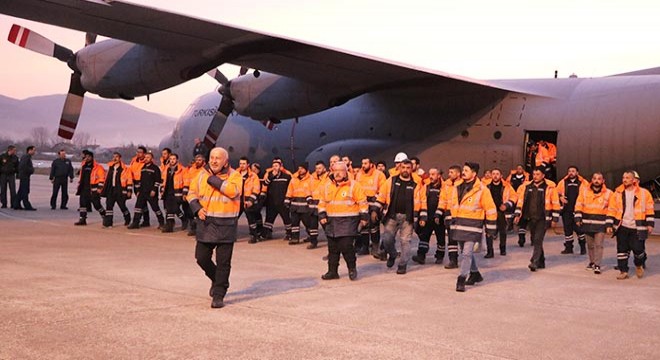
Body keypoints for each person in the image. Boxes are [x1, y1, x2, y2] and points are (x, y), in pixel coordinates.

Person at [187, 147, 242, 308]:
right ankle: (217, 279)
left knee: (223, 262)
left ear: (226, 160)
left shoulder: (235, 175)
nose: (214, 161)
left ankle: (219, 294)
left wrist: (214, 179)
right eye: (211, 157)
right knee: (201, 258)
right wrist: (197, 208)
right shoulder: (201, 174)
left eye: (218, 158)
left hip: (226, 225)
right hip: (207, 224)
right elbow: (191, 193)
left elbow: (233, 191)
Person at [444, 162, 497, 292]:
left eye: (466, 170)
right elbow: (453, 205)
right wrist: (451, 220)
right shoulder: (457, 187)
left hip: (473, 226)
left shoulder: (482, 189)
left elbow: (490, 209)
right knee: (465, 253)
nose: (463, 172)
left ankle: (461, 279)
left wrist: (490, 228)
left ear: (474, 174)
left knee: (466, 253)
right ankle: (475, 273)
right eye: (463, 170)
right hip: (459, 225)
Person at [318, 161, 368, 280]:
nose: (338, 173)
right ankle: (332, 271)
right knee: (333, 248)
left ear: (346, 172)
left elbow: (362, 202)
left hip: (348, 221)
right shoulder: (327, 185)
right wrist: (322, 215)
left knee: (346, 246)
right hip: (331, 222)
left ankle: (351, 268)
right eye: (335, 171)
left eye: (340, 171)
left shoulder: (354, 185)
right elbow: (322, 202)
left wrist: (364, 217)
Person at [376, 158, 427, 275]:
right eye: (403, 167)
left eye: (408, 168)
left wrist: (423, 217)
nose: (405, 170)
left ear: (411, 169)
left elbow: (422, 201)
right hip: (392, 216)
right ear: (399, 168)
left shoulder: (416, 184)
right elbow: (382, 195)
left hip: (408, 218)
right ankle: (393, 254)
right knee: (387, 239)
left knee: (406, 242)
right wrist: (375, 209)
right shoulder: (392, 181)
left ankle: (402, 264)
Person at [609, 171, 654, 279]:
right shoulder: (618, 193)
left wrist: (650, 224)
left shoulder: (644, 193)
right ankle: (623, 271)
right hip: (622, 225)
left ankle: (639, 264)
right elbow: (612, 209)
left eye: (627, 178)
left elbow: (649, 209)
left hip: (637, 226)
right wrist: (609, 224)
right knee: (622, 249)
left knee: (638, 249)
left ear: (634, 180)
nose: (624, 180)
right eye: (623, 177)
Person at [514, 166, 560, 272]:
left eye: (538, 174)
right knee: (536, 240)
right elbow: (521, 201)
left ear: (543, 175)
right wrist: (517, 215)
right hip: (530, 217)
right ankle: (541, 261)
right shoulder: (527, 187)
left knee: (538, 239)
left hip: (543, 218)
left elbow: (556, 203)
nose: (535, 176)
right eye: (534, 174)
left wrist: (555, 219)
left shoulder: (549, 187)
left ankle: (534, 261)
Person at [574, 172, 613, 274]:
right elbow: (579, 204)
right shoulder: (584, 191)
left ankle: (597, 264)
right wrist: (578, 218)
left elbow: (611, 209)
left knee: (598, 245)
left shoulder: (609, 193)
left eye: (599, 179)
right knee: (590, 245)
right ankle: (591, 262)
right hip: (587, 223)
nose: (596, 180)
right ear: (591, 180)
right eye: (594, 178)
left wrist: (609, 224)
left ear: (603, 181)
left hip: (601, 224)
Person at [412, 167, 445, 265]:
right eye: (430, 174)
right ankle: (421, 256)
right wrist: (422, 217)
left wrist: (439, 215)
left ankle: (439, 256)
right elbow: (422, 202)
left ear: (439, 175)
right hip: (428, 217)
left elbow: (445, 202)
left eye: (433, 174)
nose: (430, 176)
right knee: (424, 237)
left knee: (441, 238)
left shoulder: (444, 187)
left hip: (440, 218)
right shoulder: (426, 187)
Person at [355, 157, 386, 256]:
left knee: (374, 226)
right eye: (362, 163)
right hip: (363, 205)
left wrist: (376, 202)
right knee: (364, 226)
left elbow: (383, 191)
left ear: (371, 164)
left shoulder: (379, 175)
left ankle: (375, 247)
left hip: (374, 205)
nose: (363, 165)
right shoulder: (359, 175)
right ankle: (365, 247)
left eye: (365, 163)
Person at [557, 166, 589, 255]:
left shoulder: (583, 183)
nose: (571, 173)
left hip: (578, 210)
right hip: (566, 210)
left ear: (577, 173)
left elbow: (588, 195)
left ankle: (583, 247)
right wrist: (560, 198)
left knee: (579, 230)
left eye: (573, 171)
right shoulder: (563, 182)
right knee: (567, 230)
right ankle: (569, 248)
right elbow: (556, 193)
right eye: (569, 171)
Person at [485, 168, 517, 257]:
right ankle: (489, 251)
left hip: (501, 212)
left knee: (503, 231)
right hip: (489, 212)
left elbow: (514, 197)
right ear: (491, 175)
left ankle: (503, 249)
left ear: (501, 176)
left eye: (497, 174)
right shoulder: (486, 187)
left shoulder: (507, 186)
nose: (495, 176)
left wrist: (506, 205)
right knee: (488, 232)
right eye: (493, 174)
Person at [128, 152, 165, 229]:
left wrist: (154, 190)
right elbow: (140, 180)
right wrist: (138, 190)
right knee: (138, 207)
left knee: (155, 208)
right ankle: (135, 223)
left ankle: (161, 223)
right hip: (142, 192)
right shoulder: (143, 168)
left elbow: (158, 181)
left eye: (148, 157)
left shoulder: (155, 168)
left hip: (151, 192)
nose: (146, 159)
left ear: (152, 159)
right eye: (145, 157)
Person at [285, 162, 318, 246]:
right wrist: (287, 199)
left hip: (305, 206)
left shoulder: (311, 179)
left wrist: (311, 202)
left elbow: (312, 190)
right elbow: (290, 190)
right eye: (299, 168)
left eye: (302, 168)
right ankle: (295, 238)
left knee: (307, 223)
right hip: (295, 205)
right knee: (294, 223)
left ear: (306, 170)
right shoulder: (294, 178)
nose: (300, 170)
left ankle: (312, 236)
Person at [259, 159, 292, 240]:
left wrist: (288, 199)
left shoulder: (286, 176)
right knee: (269, 219)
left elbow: (291, 188)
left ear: (280, 167)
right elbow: (265, 184)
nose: (274, 168)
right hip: (271, 202)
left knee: (286, 219)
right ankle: (266, 234)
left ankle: (290, 234)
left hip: (282, 202)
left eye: (276, 166)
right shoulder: (269, 175)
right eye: (273, 166)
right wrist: (271, 177)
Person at [438, 165, 462, 268]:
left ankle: (467, 259)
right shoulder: (446, 185)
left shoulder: (463, 184)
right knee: (451, 239)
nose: (449, 174)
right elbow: (442, 200)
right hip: (448, 214)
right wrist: (438, 212)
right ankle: (453, 260)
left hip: (460, 214)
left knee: (461, 238)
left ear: (458, 174)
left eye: (452, 172)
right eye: (449, 172)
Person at [74, 150, 107, 226]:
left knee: (97, 205)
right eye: (86, 157)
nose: (87, 158)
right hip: (83, 188)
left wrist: (100, 188)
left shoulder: (98, 167)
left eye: (89, 157)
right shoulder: (83, 165)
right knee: (82, 204)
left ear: (92, 157)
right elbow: (80, 174)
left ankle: (104, 216)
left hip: (93, 189)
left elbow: (102, 178)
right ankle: (82, 219)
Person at [102, 152, 133, 227]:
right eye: (114, 157)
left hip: (120, 190)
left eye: (116, 157)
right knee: (109, 205)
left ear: (120, 158)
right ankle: (108, 223)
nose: (115, 158)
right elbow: (106, 179)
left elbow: (129, 180)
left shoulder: (125, 169)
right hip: (111, 189)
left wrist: (129, 190)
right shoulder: (111, 168)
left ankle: (127, 218)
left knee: (122, 206)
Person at [160, 153, 189, 233]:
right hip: (167, 192)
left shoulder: (182, 169)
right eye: (171, 159)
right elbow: (163, 180)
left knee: (176, 209)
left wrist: (184, 193)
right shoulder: (166, 169)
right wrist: (161, 190)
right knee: (168, 210)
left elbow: (186, 182)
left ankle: (184, 219)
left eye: (174, 159)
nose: (172, 161)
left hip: (177, 192)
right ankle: (169, 226)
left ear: (177, 160)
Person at [237, 157, 262, 243]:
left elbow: (256, 189)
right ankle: (231, 236)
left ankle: (253, 236)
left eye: (244, 164)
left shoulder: (253, 176)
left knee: (251, 220)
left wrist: (251, 200)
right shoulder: (235, 175)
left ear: (248, 165)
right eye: (240, 164)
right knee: (233, 219)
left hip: (248, 200)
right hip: (238, 200)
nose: (242, 166)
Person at [507, 164, 530, 246]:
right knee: (520, 218)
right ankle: (520, 237)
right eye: (518, 168)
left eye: (521, 168)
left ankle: (532, 237)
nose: (519, 169)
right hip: (516, 198)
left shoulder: (526, 180)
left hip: (525, 201)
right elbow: (508, 184)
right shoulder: (512, 176)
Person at [185, 154, 207, 236]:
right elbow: (187, 180)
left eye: (200, 160)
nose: (198, 161)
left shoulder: (205, 170)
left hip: (201, 195)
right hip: (192, 193)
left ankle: (200, 229)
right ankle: (193, 228)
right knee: (190, 212)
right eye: (197, 160)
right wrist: (185, 192)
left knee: (200, 213)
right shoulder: (191, 169)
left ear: (203, 161)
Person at [129, 146, 151, 227]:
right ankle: (146, 220)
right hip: (136, 184)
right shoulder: (134, 161)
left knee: (139, 203)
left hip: (143, 185)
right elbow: (130, 172)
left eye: (140, 152)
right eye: (137, 152)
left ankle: (136, 221)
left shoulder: (147, 162)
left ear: (144, 154)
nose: (138, 154)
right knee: (143, 203)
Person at [16, 145, 37, 210]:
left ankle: (16, 204)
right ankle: (27, 205)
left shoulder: (27, 157)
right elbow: (23, 166)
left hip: (25, 176)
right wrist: (31, 170)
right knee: (25, 191)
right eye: (34, 150)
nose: (34, 152)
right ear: (29, 150)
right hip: (24, 176)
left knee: (21, 191)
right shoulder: (26, 157)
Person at [1, 145, 19, 209]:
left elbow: (17, 166)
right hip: (3, 175)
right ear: (10, 150)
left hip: (11, 175)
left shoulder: (15, 157)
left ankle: (13, 204)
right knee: (3, 190)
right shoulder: (2, 156)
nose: (15, 151)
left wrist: (18, 175)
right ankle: (4, 203)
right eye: (14, 150)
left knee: (13, 190)